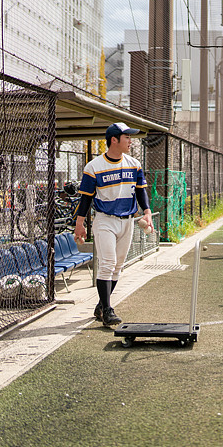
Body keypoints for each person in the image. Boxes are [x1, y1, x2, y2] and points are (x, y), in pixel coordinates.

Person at [74, 122, 153, 327]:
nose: (130, 141)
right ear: (114, 140)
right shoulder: (94, 167)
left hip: (127, 220)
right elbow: (86, 199)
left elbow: (140, 191)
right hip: (105, 220)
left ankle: (101, 305)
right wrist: (79, 224)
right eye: (127, 137)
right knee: (107, 264)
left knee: (118, 266)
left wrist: (147, 212)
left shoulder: (134, 163)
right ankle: (108, 311)